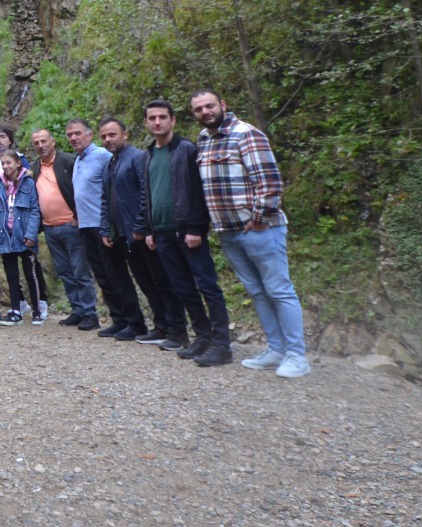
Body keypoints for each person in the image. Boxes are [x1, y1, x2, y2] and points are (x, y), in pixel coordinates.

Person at [191, 89, 309, 378]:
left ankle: (297, 356)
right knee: (257, 292)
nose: (205, 112)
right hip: (229, 232)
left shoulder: (246, 134)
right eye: (198, 109)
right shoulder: (204, 140)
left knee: (279, 290)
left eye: (209, 106)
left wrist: (259, 219)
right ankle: (276, 349)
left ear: (223, 105)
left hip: (260, 229)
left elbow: (269, 181)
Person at [141, 99, 232, 366]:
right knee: (183, 288)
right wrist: (150, 228)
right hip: (162, 233)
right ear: (146, 123)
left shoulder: (187, 150)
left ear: (173, 120)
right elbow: (149, 194)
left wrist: (195, 227)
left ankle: (221, 343)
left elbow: (198, 191)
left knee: (206, 285)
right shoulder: (148, 155)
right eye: (152, 118)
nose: (157, 122)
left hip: (187, 231)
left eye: (162, 117)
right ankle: (202, 337)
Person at [98, 118, 185, 346]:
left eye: (112, 134)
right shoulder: (111, 163)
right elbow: (106, 199)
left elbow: (146, 195)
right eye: (104, 136)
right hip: (126, 237)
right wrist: (106, 228)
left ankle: (176, 328)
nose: (108, 139)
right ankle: (161, 325)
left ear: (125, 134)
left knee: (161, 280)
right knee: (146, 282)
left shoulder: (137, 157)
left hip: (142, 234)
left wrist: (140, 227)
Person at [67, 118, 143, 339]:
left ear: (90, 135)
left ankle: (134, 321)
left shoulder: (102, 155)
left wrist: (107, 226)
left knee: (116, 275)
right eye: (70, 134)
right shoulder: (78, 160)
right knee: (102, 276)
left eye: (78, 133)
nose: (73, 138)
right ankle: (118, 320)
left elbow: (113, 190)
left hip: (104, 226)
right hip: (85, 226)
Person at [29, 130, 98, 330]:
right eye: (36, 143)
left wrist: (78, 215)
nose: (40, 145)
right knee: (65, 271)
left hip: (71, 224)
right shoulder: (35, 166)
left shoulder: (69, 161)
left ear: (53, 141)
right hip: (50, 228)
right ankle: (77, 310)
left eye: (43, 141)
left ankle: (89, 313)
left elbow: (82, 188)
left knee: (80, 270)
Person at [0, 152, 41, 326]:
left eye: (9, 163)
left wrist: (31, 234)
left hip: (24, 236)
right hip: (6, 236)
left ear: (18, 163)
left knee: (30, 274)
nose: (5, 166)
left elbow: (34, 210)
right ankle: (16, 310)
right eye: (3, 163)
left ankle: (37, 310)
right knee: (11, 275)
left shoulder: (28, 182)